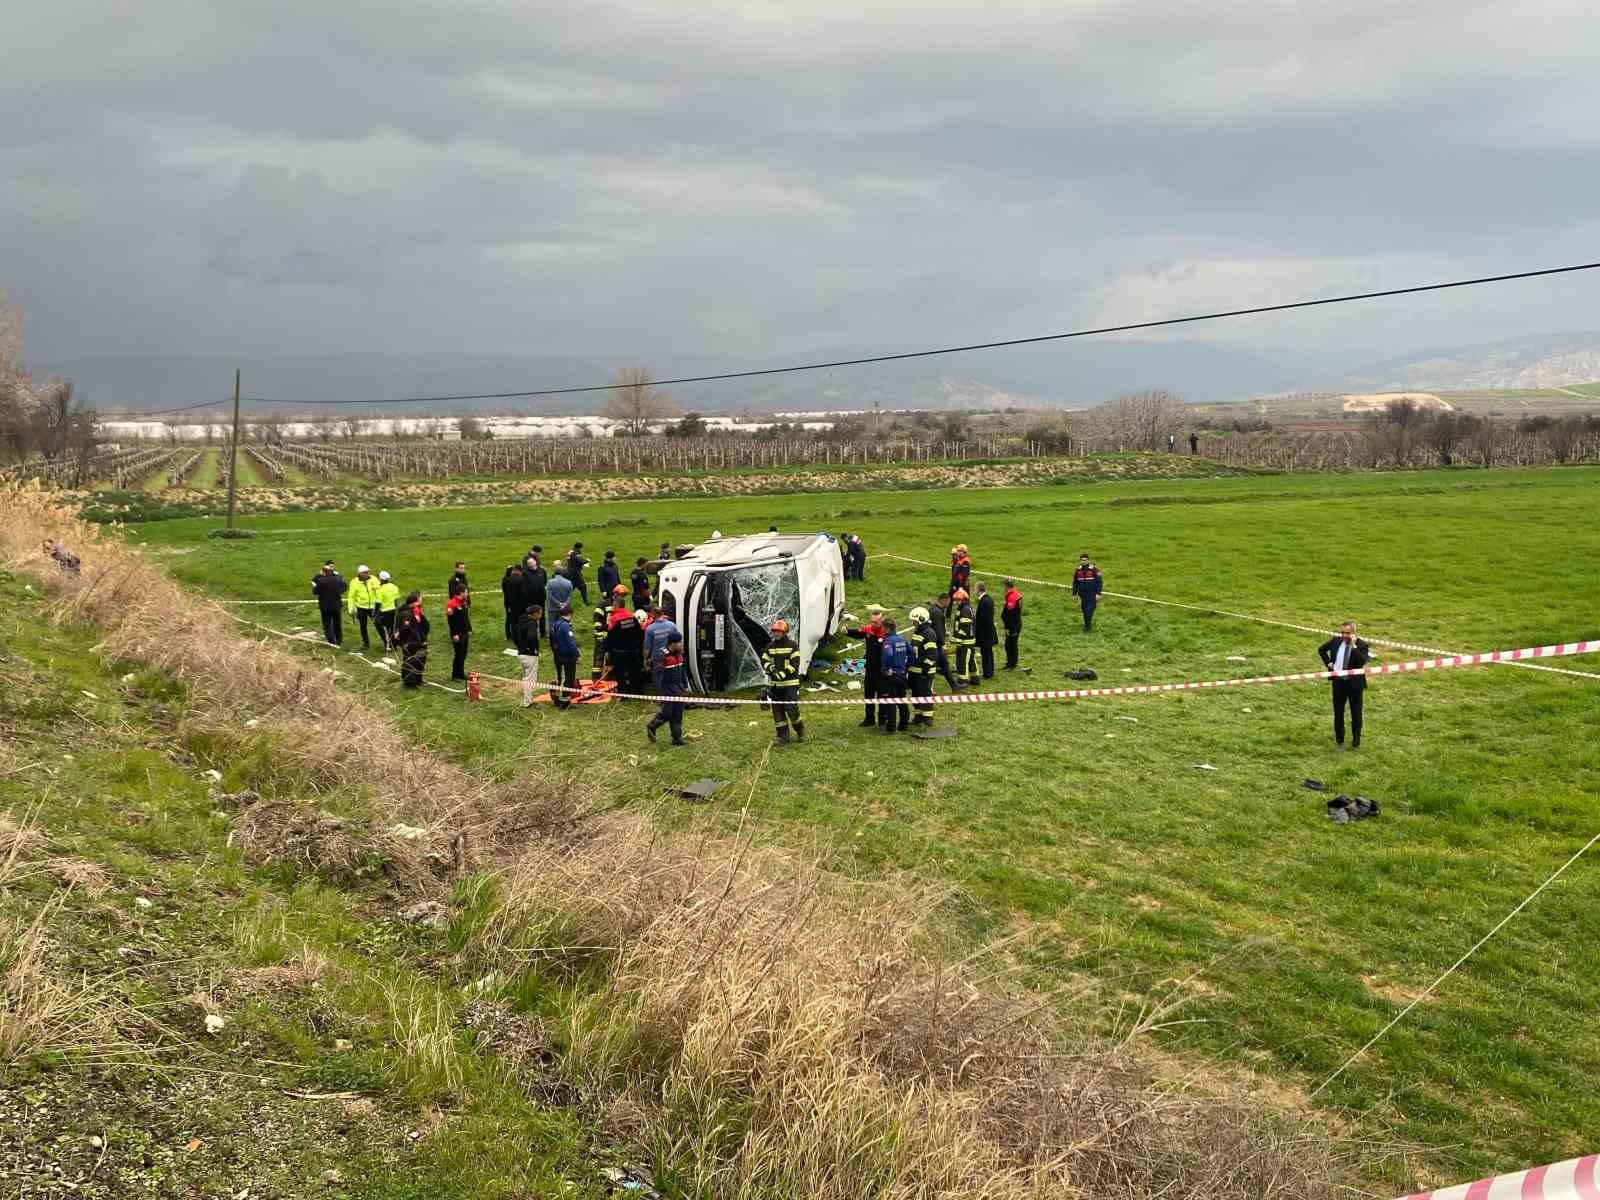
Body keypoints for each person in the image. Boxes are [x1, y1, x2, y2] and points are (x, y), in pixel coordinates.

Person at [1318, 622, 1372, 749]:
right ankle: (1339, 739)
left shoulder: (1362, 645)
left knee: (1356, 713)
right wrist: (1329, 663)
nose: (1344, 635)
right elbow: (1321, 650)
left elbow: (1361, 661)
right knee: (1338, 712)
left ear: (1354, 633)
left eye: (1347, 633)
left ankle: (1356, 740)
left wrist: (1353, 646)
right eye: (1342, 632)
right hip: (1338, 683)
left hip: (1355, 685)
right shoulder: (1336, 641)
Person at [762, 618, 804, 745]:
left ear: (784, 632)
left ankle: (800, 730)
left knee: (791, 708)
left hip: (790, 684)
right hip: (775, 686)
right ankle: (782, 736)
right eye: (774, 631)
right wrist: (771, 668)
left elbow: (795, 663)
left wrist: (782, 674)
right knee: (777, 711)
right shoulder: (770, 646)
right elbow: (764, 660)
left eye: (779, 631)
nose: (776, 634)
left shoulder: (792, 645)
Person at [845, 604, 888, 729]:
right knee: (868, 695)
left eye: (876, 622)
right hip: (870, 669)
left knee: (882, 696)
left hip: (882, 670)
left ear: (882, 621)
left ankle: (882, 719)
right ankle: (869, 718)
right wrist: (847, 632)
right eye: (872, 622)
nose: (873, 624)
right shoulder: (868, 629)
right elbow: (859, 633)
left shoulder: (886, 633)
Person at [645, 637, 688, 746]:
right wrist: (660, 693)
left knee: (678, 712)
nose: (681, 644)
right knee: (667, 712)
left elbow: (683, 672)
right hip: (666, 687)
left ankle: (677, 737)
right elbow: (658, 675)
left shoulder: (679, 654)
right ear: (672, 643)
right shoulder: (661, 655)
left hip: (678, 688)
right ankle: (652, 726)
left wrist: (685, 686)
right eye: (679, 642)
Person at [605, 594, 646, 692]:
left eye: (614, 605)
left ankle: (624, 694)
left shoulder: (613, 619)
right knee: (635, 671)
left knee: (620, 673)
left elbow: (610, 637)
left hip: (619, 651)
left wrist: (608, 651)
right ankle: (638, 691)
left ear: (617, 605)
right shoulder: (632, 616)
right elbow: (640, 633)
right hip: (633, 650)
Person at [877, 618, 911, 733]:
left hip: (890, 676)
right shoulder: (902, 639)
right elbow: (911, 655)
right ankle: (903, 725)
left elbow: (888, 655)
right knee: (902, 700)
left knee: (890, 702)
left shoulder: (888, 642)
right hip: (901, 675)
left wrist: (885, 669)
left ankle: (891, 728)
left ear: (886, 628)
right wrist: (906, 667)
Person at [907, 607, 938, 725]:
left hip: (924, 672)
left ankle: (928, 718)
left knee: (925, 694)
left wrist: (925, 670)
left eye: (914, 622)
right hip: (915, 671)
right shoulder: (918, 632)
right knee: (916, 694)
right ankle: (918, 716)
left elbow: (932, 654)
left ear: (921, 620)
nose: (913, 624)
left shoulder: (928, 633)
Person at [395, 591, 430, 688]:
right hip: (411, 643)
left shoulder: (417, 611)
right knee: (410, 662)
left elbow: (424, 625)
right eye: (420, 599)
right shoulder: (406, 613)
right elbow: (404, 629)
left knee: (420, 661)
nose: (421, 601)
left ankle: (419, 680)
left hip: (420, 641)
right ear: (414, 602)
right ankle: (409, 683)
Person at [549, 604, 580, 708]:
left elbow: (551, 641)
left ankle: (557, 699)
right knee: (568, 678)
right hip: (567, 656)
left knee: (560, 677)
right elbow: (570, 642)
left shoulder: (554, 625)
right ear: (570, 614)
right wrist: (577, 655)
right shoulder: (566, 626)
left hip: (557, 655)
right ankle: (565, 702)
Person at [311, 560, 347, 646]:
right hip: (336, 605)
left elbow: (315, 592)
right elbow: (345, 586)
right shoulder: (338, 578)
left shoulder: (321, 581)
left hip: (325, 606)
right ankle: (339, 640)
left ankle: (331, 641)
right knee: (337, 624)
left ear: (323, 572)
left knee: (327, 624)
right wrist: (339, 592)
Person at [347, 564, 379, 651]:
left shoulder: (374, 579)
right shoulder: (354, 582)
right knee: (363, 626)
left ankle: (387, 642)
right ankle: (366, 644)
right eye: (365, 572)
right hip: (361, 607)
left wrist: (379, 603)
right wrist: (351, 608)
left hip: (373, 606)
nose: (367, 574)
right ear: (360, 573)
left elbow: (378, 590)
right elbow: (351, 596)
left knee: (378, 624)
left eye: (368, 572)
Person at [514, 603, 541, 707]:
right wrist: (533, 649)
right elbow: (531, 637)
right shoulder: (533, 623)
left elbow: (514, 634)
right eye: (540, 614)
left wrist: (520, 647)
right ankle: (527, 702)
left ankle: (528, 700)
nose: (541, 616)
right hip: (529, 655)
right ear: (534, 614)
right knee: (530, 679)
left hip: (521, 653)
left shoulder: (521, 621)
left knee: (526, 678)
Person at [929, 593, 958, 690]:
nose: (949, 604)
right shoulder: (938, 613)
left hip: (932, 643)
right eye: (949, 602)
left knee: (943, 666)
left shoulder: (932, 609)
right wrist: (942, 644)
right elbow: (938, 629)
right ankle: (954, 686)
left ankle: (954, 685)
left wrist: (944, 632)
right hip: (937, 645)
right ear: (944, 600)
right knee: (944, 666)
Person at [951, 589, 978, 688]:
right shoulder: (964, 609)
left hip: (965, 641)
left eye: (958, 600)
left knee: (962, 661)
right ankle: (975, 678)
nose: (956, 602)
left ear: (964, 600)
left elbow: (965, 627)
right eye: (955, 600)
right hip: (968, 640)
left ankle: (963, 681)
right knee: (971, 660)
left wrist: (957, 638)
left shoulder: (965, 610)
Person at [445, 589, 472, 681]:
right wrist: (454, 634)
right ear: (461, 593)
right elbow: (451, 621)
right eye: (466, 592)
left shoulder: (464, 602)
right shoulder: (452, 604)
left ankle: (461, 673)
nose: (467, 594)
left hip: (465, 632)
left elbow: (466, 617)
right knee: (458, 654)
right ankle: (455, 675)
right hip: (457, 633)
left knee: (463, 653)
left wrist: (469, 629)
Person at [1071, 554, 1102, 632]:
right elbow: (1075, 583)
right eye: (1082, 560)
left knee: (1089, 609)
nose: (1083, 561)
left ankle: (1087, 627)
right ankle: (1087, 625)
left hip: (1092, 593)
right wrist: (1074, 594)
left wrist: (1098, 593)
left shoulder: (1094, 569)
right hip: (1082, 594)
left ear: (1088, 560)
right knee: (1084, 610)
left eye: (1085, 560)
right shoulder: (1078, 570)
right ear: (1080, 561)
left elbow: (1099, 582)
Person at [974, 582, 998, 680]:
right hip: (987, 632)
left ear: (979, 589)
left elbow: (985, 618)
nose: (974, 591)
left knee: (986, 653)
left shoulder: (985, 601)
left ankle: (987, 673)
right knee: (988, 652)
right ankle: (990, 671)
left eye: (975, 589)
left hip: (985, 633)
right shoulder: (987, 600)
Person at [522, 555, 548, 641]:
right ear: (527, 565)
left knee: (542, 615)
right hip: (531, 599)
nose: (531, 565)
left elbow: (545, 582)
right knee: (531, 617)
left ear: (535, 562)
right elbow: (524, 586)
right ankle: (532, 633)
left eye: (532, 562)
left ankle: (543, 633)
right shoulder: (525, 573)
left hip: (541, 597)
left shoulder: (542, 570)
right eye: (529, 564)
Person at [374, 570, 400, 651]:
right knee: (393, 628)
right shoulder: (394, 587)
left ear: (381, 579)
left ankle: (388, 645)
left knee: (385, 629)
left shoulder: (380, 589)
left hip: (384, 612)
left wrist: (375, 614)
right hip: (394, 610)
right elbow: (396, 600)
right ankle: (394, 645)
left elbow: (378, 603)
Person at [1001, 578, 1023, 670]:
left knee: (1010, 644)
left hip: (1012, 625)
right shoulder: (1016, 594)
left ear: (1006, 586)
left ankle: (1011, 664)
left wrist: (1007, 627)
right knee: (1011, 644)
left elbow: (1010, 615)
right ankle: (1011, 663)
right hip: (1016, 623)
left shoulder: (1012, 597)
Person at [591, 592, 614, 675]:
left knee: (607, 656)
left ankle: (606, 675)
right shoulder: (603, 604)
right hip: (601, 636)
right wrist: (603, 627)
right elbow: (597, 621)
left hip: (608, 635)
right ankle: (596, 676)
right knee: (600, 657)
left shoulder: (614, 604)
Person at [546, 563, 574, 628]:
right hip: (565, 608)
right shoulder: (569, 582)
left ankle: (553, 637)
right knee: (564, 625)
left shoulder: (550, 582)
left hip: (553, 608)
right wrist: (565, 604)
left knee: (552, 624)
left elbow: (550, 596)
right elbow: (570, 596)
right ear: (562, 573)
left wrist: (559, 604)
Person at [501, 565, 523, 642]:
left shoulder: (506, 580)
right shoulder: (508, 580)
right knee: (512, 619)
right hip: (510, 602)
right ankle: (512, 634)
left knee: (509, 618)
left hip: (508, 602)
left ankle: (509, 635)